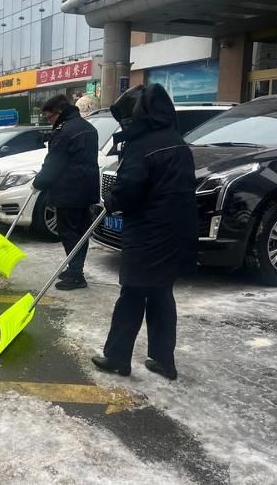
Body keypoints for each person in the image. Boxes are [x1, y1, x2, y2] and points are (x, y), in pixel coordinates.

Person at [91, 84, 197, 381]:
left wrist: (108, 203)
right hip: (175, 231)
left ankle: (117, 357)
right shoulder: (177, 142)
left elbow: (128, 192)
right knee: (162, 294)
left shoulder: (143, 146)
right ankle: (164, 361)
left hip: (148, 232)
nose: (125, 122)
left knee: (132, 293)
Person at [32, 95, 100, 290]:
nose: (49, 121)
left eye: (49, 116)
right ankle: (74, 268)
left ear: (59, 112)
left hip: (69, 191)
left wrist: (39, 182)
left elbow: (54, 162)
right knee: (80, 231)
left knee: (69, 232)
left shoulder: (65, 131)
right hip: (86, 189)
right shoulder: (88, 127)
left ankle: (76, 275)